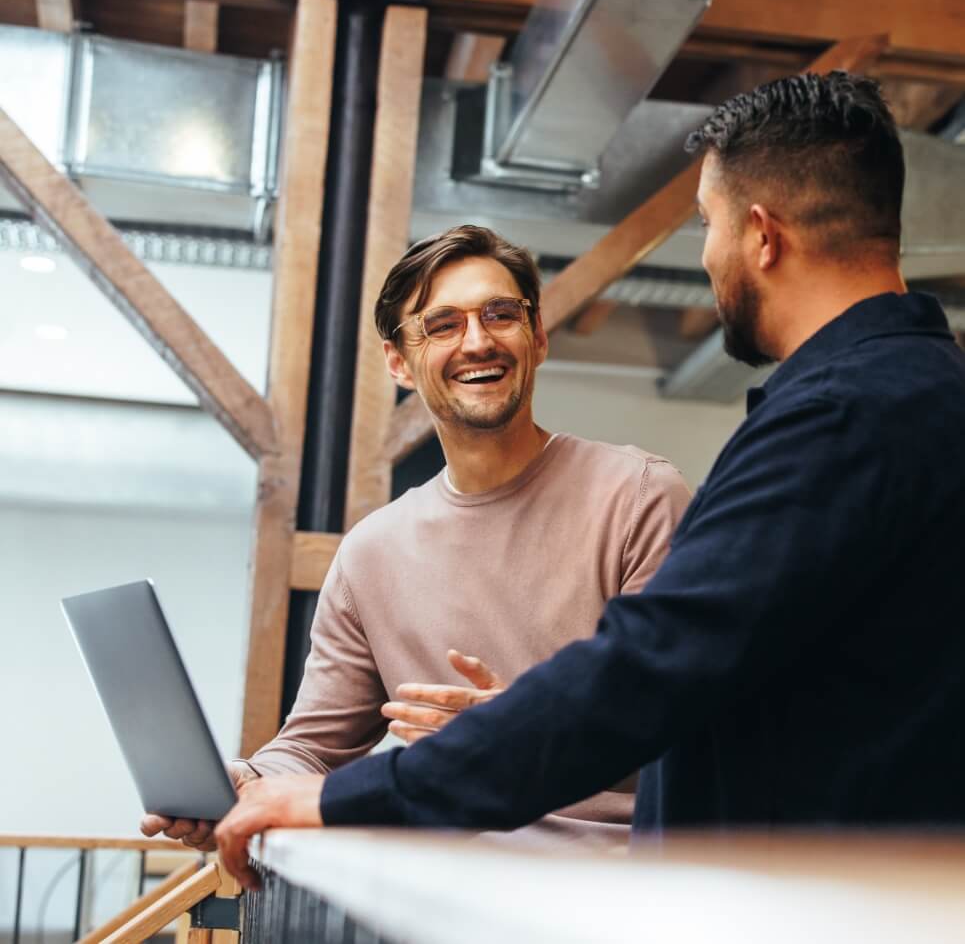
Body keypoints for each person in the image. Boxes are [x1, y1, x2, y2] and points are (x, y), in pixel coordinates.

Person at [215, 71, 965, 889]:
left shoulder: (837, 418)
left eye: (707, 225)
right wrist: (267, 782)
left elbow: (644, 675)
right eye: (442, 324)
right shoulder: (909, 397)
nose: (707, 256)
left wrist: (358, 794)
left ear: (760, 235)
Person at [142, 225, 690, 850]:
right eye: (443, 325)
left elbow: (685, 715)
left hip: (610, 888)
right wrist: (248, 781)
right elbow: (314, 749)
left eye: (501, 314)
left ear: (537, 336)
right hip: (431, 893)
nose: (478, 341)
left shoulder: (641, 495)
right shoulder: (371, 552)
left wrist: (526, 728)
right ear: (398, 361)